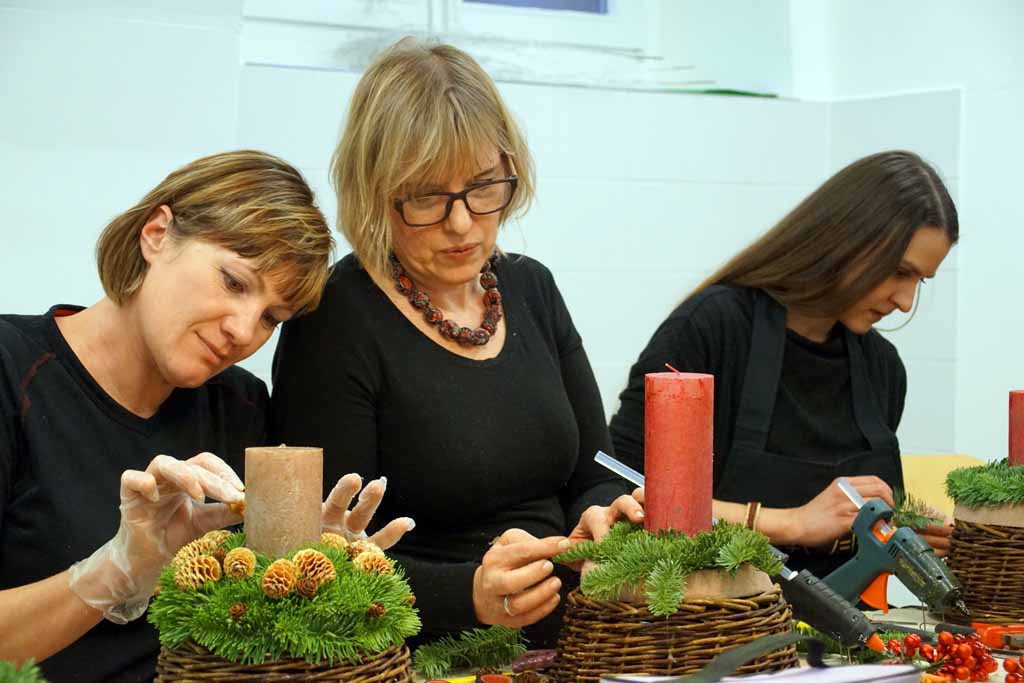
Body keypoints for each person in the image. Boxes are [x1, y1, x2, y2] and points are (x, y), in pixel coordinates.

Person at [269, 38, 642, 647]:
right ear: (374, 192)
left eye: (484, 187)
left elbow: (594, 471)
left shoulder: (531, 287)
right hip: (422, 647)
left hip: (572, 632)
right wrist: (465, 591)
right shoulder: (337, 318)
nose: (463, 223)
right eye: (425, 198)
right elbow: (315, 553)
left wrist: (601, 516)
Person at [0, 150, 412, 682]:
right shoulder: (13, 373)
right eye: (234, 282)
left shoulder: (239, 407)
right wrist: (117, 570)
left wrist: (328, 580)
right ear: (157, 233)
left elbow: (247, 636)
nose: (244, 332)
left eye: (272, 317)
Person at [609, 150, 958, 578]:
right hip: (709, 627)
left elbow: (852, 541)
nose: (905, 303)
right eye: (900, 272)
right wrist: (791, 524)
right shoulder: (713, 328)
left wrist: (896, 536)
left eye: (919, 282)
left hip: (838, 635)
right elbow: (625, 489)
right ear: (849, 239)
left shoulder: (883, 368)